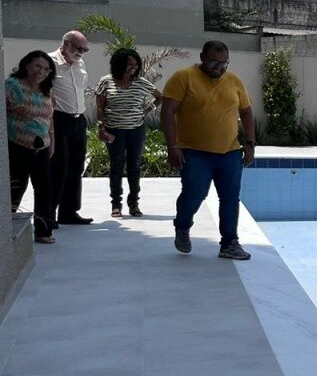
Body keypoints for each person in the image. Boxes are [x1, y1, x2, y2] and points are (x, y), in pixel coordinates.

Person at [161, 41, 255, 260]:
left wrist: (250, 143)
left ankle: (229, 243)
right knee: (195, 194)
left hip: (230, 152)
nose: (220, 67)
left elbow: (246, 112)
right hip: (194, 152)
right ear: (203, 57)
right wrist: (172, 146)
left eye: (225, 63)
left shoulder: (234, 81)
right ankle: (183, 225)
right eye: (215, 62)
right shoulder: (183, 77)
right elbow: (167, 111)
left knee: (230, 198)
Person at [95, 48, 161, 219]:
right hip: (114, 131)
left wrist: (147, 110)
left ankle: (134, 204)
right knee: (116, 166)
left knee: (134, 166)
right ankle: (116, 205)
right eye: (129, 64)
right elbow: (100, 107)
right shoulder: (106, 81)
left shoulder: (141, 82)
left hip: (136, 130)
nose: (133, 67)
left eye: (135, 64)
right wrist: (101, 127)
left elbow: (159, 97)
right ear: (119, 64)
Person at [7, 50, 58, 243]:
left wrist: (51, 141)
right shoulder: (12, 86)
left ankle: (43, 231)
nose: (41, 71)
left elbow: (49, 118)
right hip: (16, 144)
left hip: (41, 146)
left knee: (44, 188)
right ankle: (7, 227)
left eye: (46, 69)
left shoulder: (47, 90)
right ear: (27, 65)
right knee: (16, 186)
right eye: (38, 66)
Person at [49, 30, 93, 226]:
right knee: (58, 166)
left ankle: (69, 212)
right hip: (58, 119)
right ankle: (49, 213)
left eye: (85, 49)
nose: (81, 52)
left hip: (78, 120)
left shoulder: (80, 63)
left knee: (77, 166)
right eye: (78, 48)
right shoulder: (50, 62)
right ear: (65, 44)